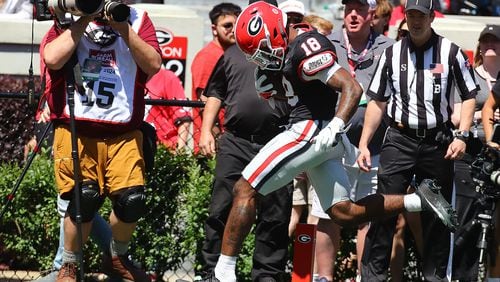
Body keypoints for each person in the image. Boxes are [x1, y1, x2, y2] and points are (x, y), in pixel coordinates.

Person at [212, 1, 457, 281]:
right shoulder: (290, 48)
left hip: (312, 130)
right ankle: (419, 200)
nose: (263, 57)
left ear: (278, 31)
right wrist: (280, 89)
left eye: (264, 48)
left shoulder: (306, 46)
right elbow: (298, 88)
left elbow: (352, 87)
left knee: (245, 188)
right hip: (321, 134)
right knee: (344, 212)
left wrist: (336, 125)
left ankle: (223, 273)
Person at [356, 0, 477, 280]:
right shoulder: (391, 54)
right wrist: (364, 143)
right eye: (411, 14)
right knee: (383, 210)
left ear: (432, 17)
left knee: (438, 217)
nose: (416, 20)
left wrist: (462, 134)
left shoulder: (451, 52)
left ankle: (434, 278)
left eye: (421, 15)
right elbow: (377, 101)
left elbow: (470, 94)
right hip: (399, 139)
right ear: (406, 17)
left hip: (437, 142)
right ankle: (373, 277)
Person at [40, 3, 161, 281]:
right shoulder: (69, 18)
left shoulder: (136, 19)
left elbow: (153, 64)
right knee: (84, 198)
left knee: (132, 200)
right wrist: (84, 18)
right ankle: (69, 263)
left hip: (124, 131)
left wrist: (122, 27)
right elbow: (52, 58)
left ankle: (118, 256)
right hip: (77, 129)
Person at [197, 1, 293, 279]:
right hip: (236, 141)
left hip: (277, 141)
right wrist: (206, 130)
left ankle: (267, 273)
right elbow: (214, 93)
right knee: (221, 208)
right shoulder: (232, 53)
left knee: (276, 213)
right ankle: (211, 271)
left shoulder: (289, 52)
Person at [308, 0, 397, 280]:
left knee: (368, 216)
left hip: (373, 148)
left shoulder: (388, 48)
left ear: (372, 14)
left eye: (360, 9)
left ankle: (364, 276)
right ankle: (324, 277)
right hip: (330, 146)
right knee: (326, 213)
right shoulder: (325, 42)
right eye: (349, 9)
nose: (353, 15)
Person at [458, 24, 500, 281]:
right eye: (485, 41)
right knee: (469, 219)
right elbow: (455, 115)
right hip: (475, 154)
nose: (490, 46)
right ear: (479, 46)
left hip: (498, 158)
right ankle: (465, 275)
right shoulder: (470, 76)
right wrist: (481, 120)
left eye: (495, 41)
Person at [191, 3, 242, 154]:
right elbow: (204, 101)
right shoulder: (208, 56)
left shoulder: (232, 54)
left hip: (230, 141)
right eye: (227, 25)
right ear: (214, 29)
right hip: (212, 145)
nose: (233, 30)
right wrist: (218, 137)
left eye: (236, 24)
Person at [145, 68, 193, 151]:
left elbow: (183, 118)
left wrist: (179, 152)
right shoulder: (128, 75)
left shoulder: (167, 77)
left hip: (163, 147)